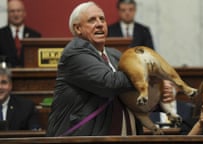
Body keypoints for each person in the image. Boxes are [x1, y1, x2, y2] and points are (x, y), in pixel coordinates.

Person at [47, 1, 142, 136]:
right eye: (92, 20)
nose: (99, 24)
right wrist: (144, 75)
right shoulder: (75, 53)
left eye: (102, 19)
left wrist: (160, 93)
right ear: (78, 28)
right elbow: (109, 83)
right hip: (81, 138)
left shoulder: (115, 55)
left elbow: (135, 92)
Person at [0, 0, 41, 68]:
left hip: (29, 76)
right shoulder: (1, 35)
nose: (16, 14)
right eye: (12, 11)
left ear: (24, 13)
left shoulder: (35, 36)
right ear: (8, 14)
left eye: (19, 11)